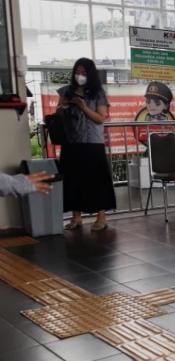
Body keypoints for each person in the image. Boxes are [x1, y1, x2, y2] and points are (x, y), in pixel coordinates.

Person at [58, 57, 116, 231]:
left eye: (83, 72)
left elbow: (100, 118)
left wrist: (84, 107)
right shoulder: (66, 91)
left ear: (90, 74)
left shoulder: (98, 93)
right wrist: (65, 106)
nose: (80, 75)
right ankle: (76, 218)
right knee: (73, 179)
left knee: (96, 180)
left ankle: (101, 217)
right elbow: (58, 113)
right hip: (71, 141)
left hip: (92, 142)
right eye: (77, 72)